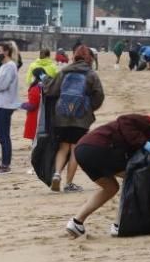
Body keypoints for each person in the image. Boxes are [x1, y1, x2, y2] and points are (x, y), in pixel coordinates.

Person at [66, 115, 150, 237]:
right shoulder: (149, 125)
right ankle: (119, 225)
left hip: (83, 151)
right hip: (99, 147)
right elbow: (124, 120)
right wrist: (144, 142)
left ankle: (76, 222)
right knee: (135, 177)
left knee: (111, 188)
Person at [43, 43, 106, 192]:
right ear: (89, 58)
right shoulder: (91, 74)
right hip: (81, 118)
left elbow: (51, 91)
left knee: (63, 147)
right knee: (75, 149)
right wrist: (90, 108)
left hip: (61, 116)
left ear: (74, 56)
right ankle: (69, 183)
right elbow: (99, 95)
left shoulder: (64, 71)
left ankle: (57, 174)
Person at [0, 41, 21, 173]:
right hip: (1, 103)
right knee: (2, 134)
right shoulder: (4, 66)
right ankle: (4, 163)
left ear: (6, 52)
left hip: (5, 104)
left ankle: (5, 164)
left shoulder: (9, 66)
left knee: (3, 135)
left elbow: (1, 86)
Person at [21, 68, 46, 147]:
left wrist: (21, 105)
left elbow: (32, 105)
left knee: (36, 141)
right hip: (46, 116)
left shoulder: (35, 88)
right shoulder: (48, 86)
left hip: (36, 117)